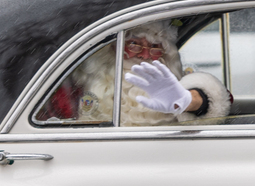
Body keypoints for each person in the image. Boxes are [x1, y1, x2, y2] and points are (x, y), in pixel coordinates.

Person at [60, 21, 230, 125]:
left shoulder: (176, 82)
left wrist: (186, 101)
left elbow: (218, 99)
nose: (145, 55)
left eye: (155, 47)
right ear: (112, 49)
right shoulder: (77, 90)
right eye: (134, 44)